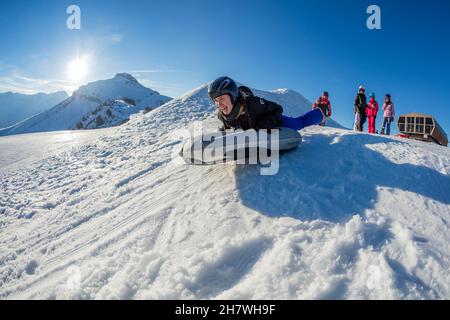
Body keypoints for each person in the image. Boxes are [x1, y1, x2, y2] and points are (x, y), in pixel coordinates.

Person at [208, 76, 325, 131]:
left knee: (299, 123)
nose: (220, 105)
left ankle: (320, 114)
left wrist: (266, 122)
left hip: (276, 121)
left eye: (222, 98)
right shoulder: (222, 115)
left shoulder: (252, 104)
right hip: (255, 132)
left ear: (232, 96)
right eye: (216, 101)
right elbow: (228, 127)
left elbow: (277, 109)